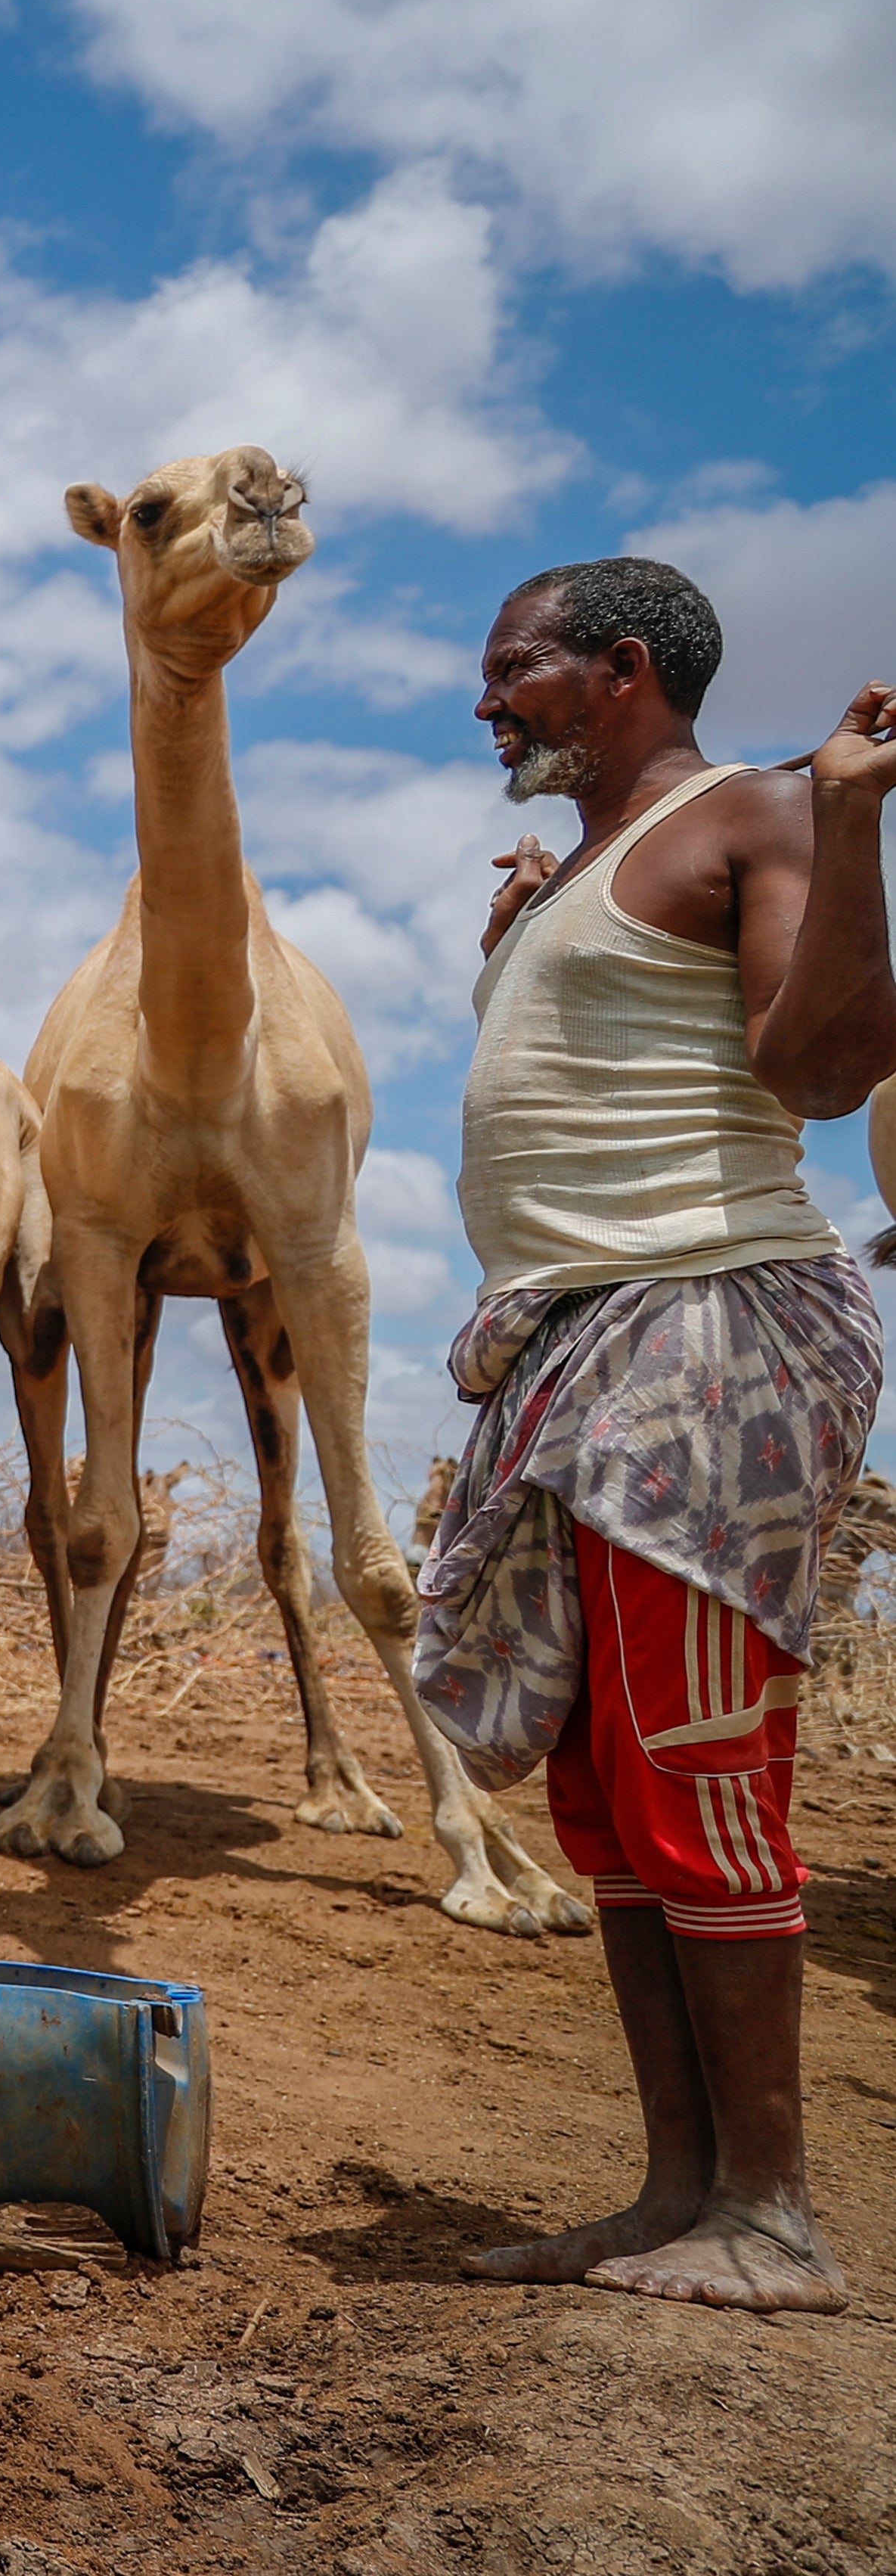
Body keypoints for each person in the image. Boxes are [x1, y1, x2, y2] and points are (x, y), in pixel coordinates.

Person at [419, 557, 896, 2317]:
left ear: (621, 666)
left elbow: (820, 1070)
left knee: (696, 1760)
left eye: (515, 669)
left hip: (702, 1333)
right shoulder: (577, 869)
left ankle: (771, 2216)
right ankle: (677, 2191)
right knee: (607, 1788)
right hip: (580, 1345)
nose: (487, 703)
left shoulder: (754, 812)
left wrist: (848, 825)